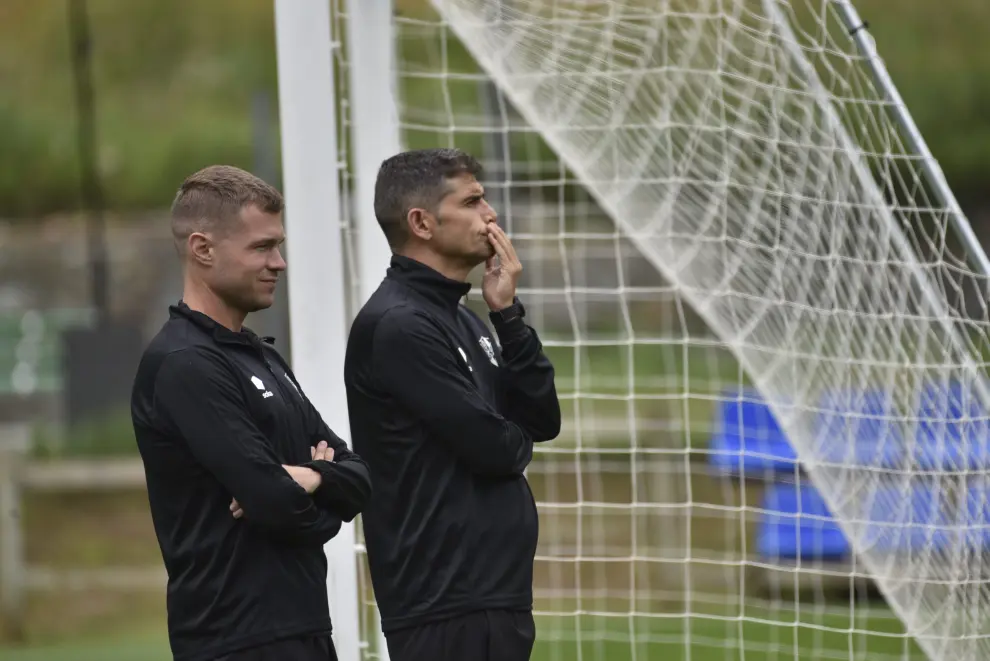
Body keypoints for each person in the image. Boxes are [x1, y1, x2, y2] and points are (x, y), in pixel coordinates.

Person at [130, 165, 372, 661]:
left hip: (302, 627)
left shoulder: (259, 354)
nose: (279, 263)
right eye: (262, 247)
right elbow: (273, 500)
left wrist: (311, 478)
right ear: (203, 249)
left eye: (278, 245)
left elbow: (361, 476)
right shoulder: (185, 364)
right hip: (234, 639)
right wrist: (320, 489)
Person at [344, 148, 562, 661]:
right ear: (421, 222)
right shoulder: (399, 325)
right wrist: (513, 437)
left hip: (490, 595)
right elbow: (496, 448)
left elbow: (542, 420)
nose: (490, 215)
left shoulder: (463, 316)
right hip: (444, 605)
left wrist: (507, 315)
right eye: (472, 201)